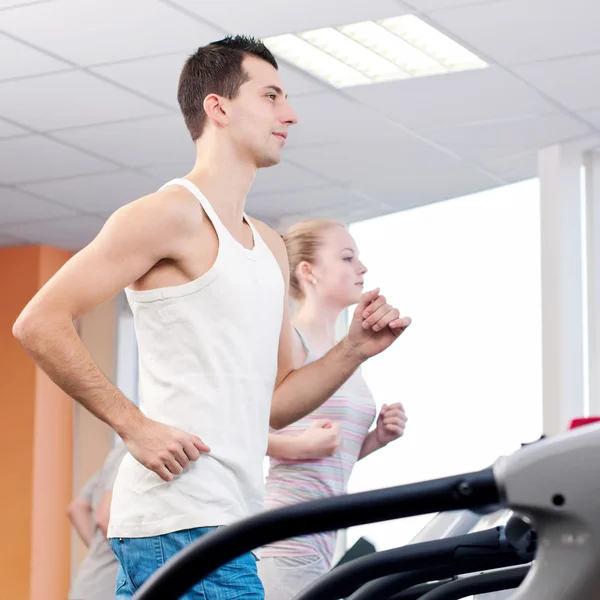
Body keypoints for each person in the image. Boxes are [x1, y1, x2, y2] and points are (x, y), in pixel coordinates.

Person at [12, 35, 411, 599]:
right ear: (217, 107)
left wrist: (353, 349)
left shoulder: (270, 247)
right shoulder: (169, 214)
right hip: (179, 517)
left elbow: (275, 403)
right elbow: (39, 321)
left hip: (233, 518)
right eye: (271, 96)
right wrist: (134, 426)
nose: (289, 115)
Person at [257, 219, 408, 599]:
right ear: (308, 272)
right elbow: (235, 426)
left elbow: (330, 460)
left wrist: (376, 439)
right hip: (282, 539)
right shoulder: (291, 341)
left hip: (321, 544)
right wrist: (296, 448)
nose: (362, 267)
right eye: (346, 257)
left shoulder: (347, 352)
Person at [68, 442, 127, 600]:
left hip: (91, 579)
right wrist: (129, 559)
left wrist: (99, 549)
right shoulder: (133, 452)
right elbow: (104, 518)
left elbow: (77, 508)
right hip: (105, 588)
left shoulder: (116, 454)